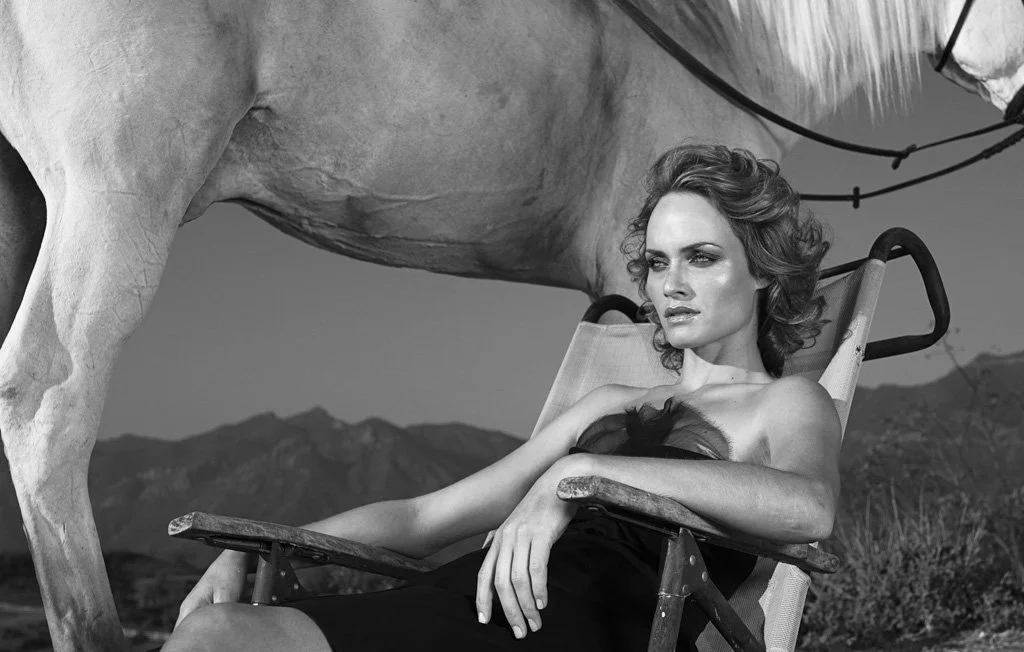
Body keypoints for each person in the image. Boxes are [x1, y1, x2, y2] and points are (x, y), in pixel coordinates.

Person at [163, 143, 841, 652]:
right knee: (220, 631)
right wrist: (260, 546)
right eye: (659, 263)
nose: (671, 285)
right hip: (478, 602)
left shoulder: (786, 404)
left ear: (762, 268)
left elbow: (809, 509)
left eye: (701, 257)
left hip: (596, 628)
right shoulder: (608, 405)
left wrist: (583, 474)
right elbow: (422, 516)